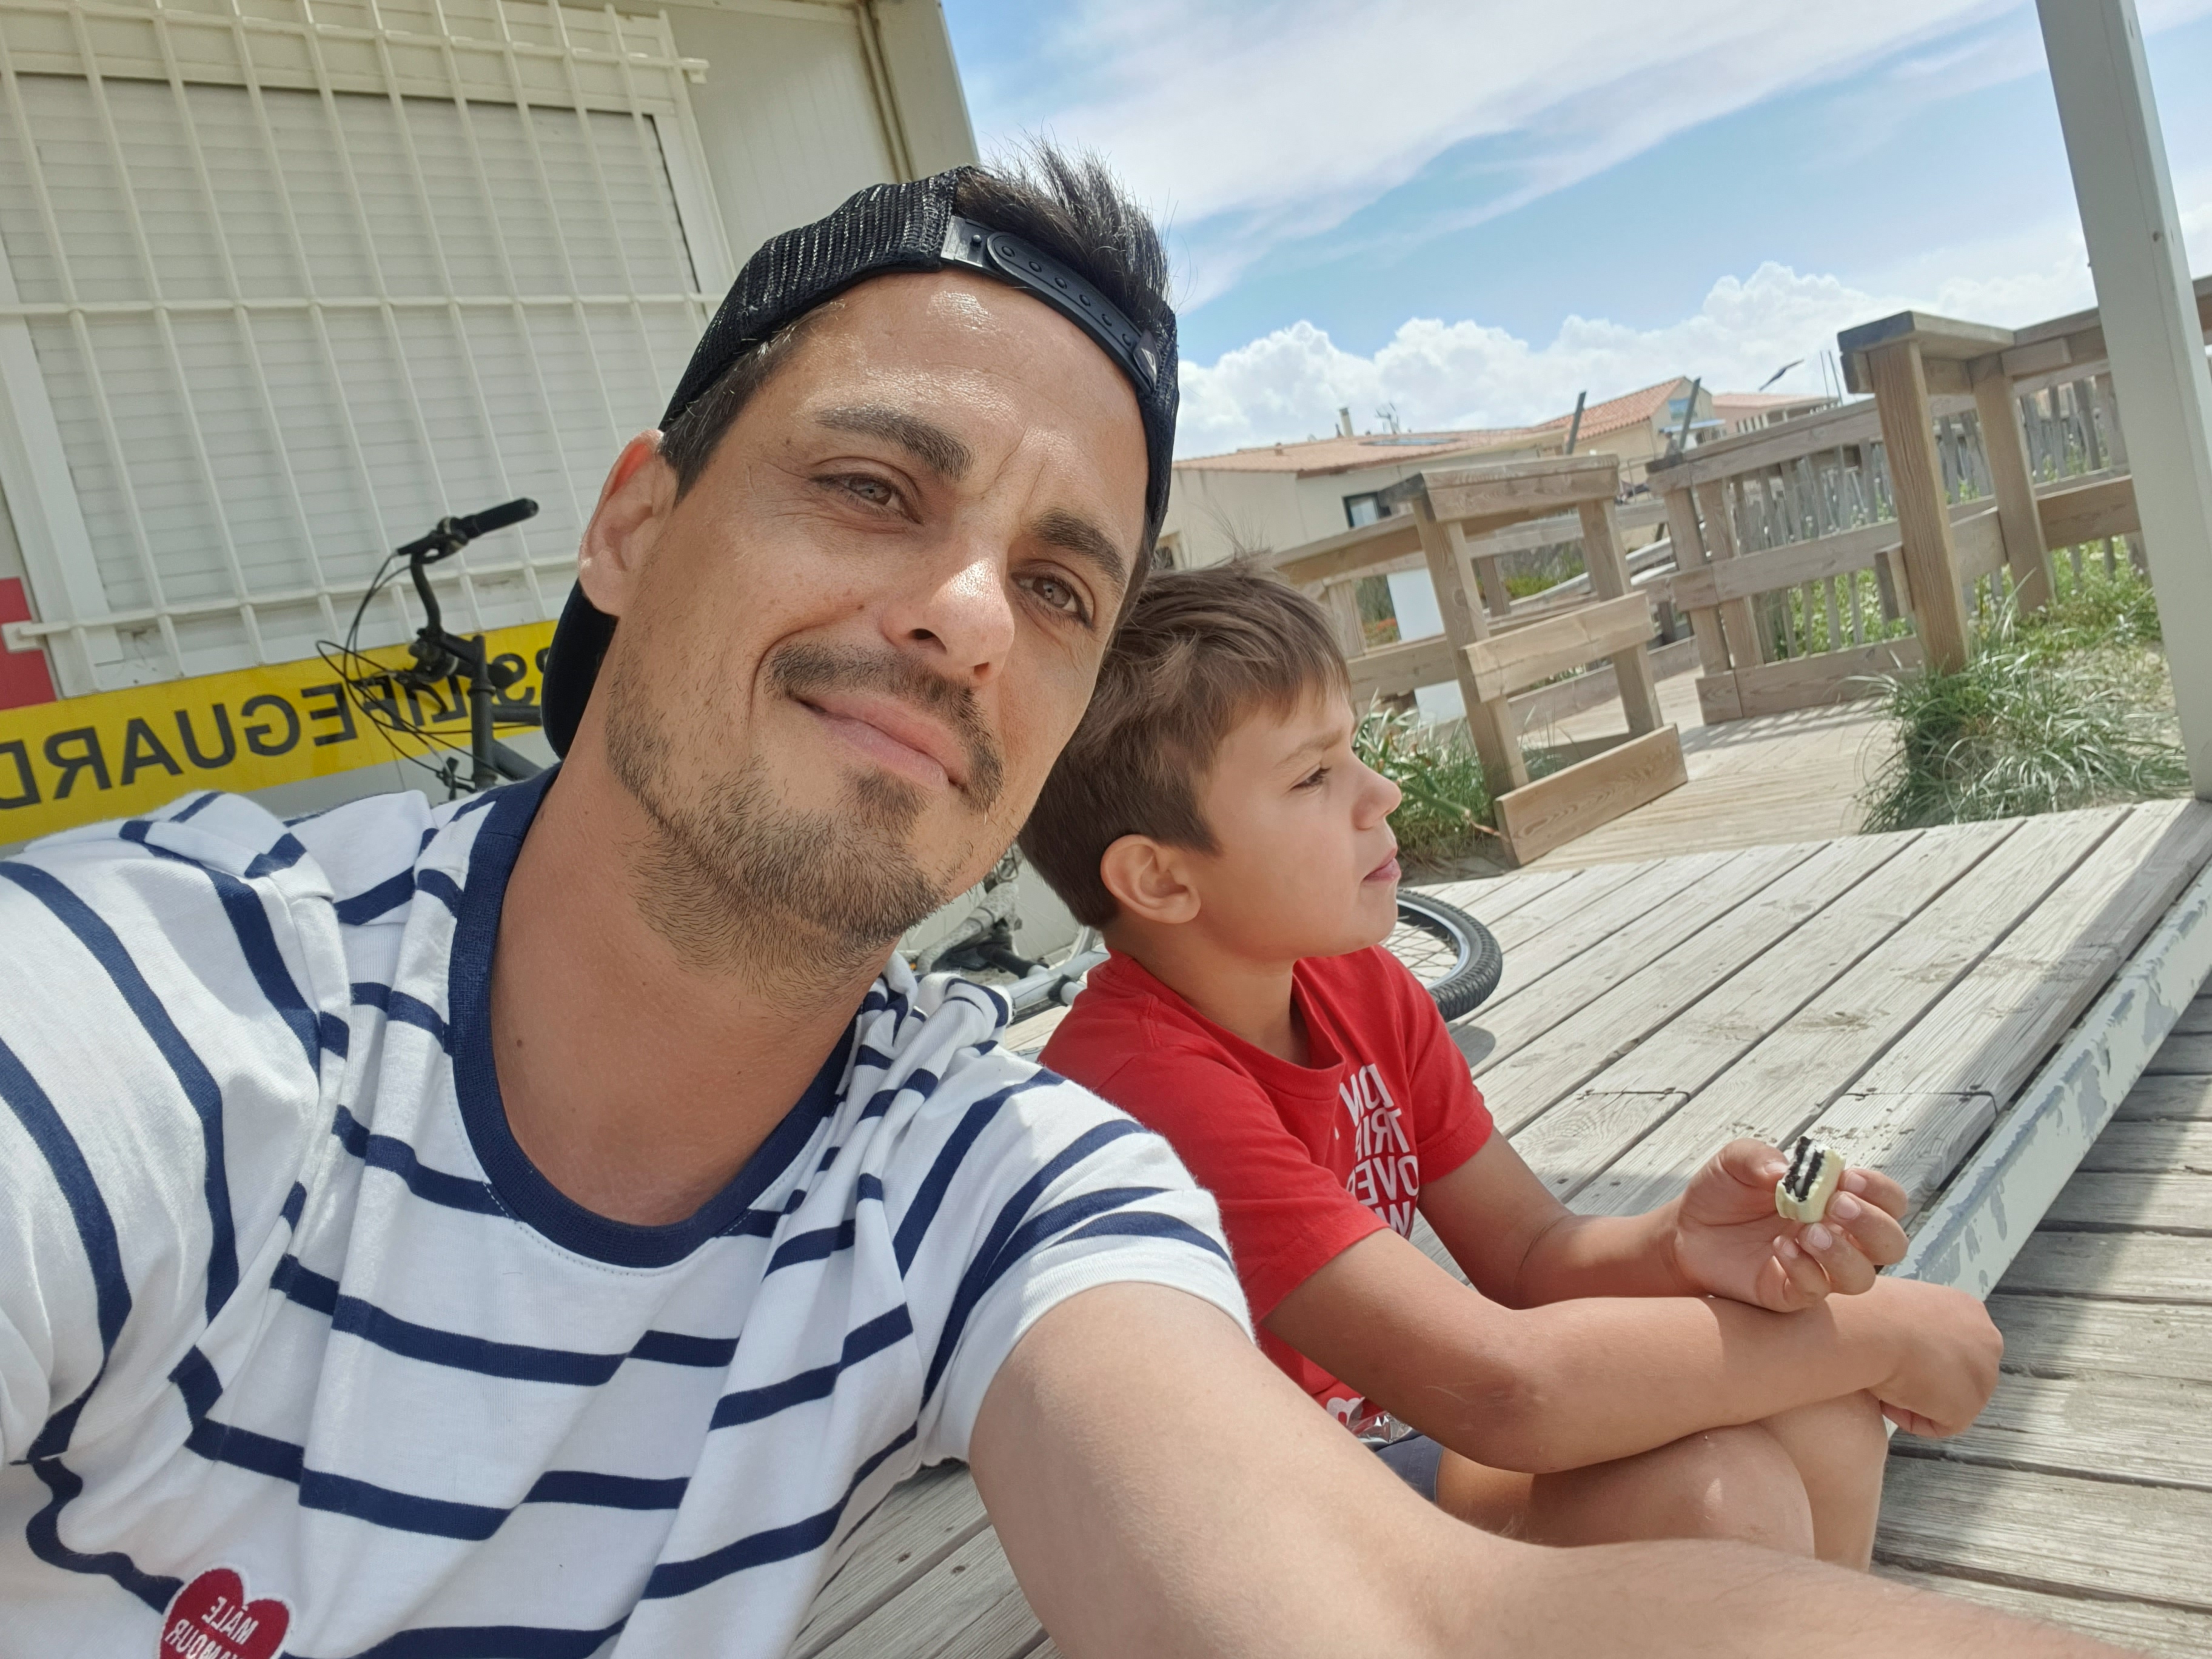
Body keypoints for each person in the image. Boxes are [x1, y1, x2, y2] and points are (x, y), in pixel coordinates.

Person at [0, 150, 2120, 1658]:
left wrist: (1728, 1279)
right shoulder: (154, 1027)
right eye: (868, 485)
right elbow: (1490, 1395)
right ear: (634, 526)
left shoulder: (976, 1171)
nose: (961, 617)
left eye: (1055, 585)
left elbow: (1404, 1618)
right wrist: (1866, 1325)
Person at [1024, 563, 2001, 1566]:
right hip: (1226, 1553)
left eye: (1352, 751)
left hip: (1380, 1446)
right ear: (1160, 879)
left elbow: (1531, 1255)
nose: (1381, 792)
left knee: (1817, 1414)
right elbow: (1505, 1391)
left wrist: (1678, 1246)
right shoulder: (1137, 1093)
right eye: (1314, 776)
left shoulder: (1357, 986)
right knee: (1723, 1494)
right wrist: (1883, 1334)